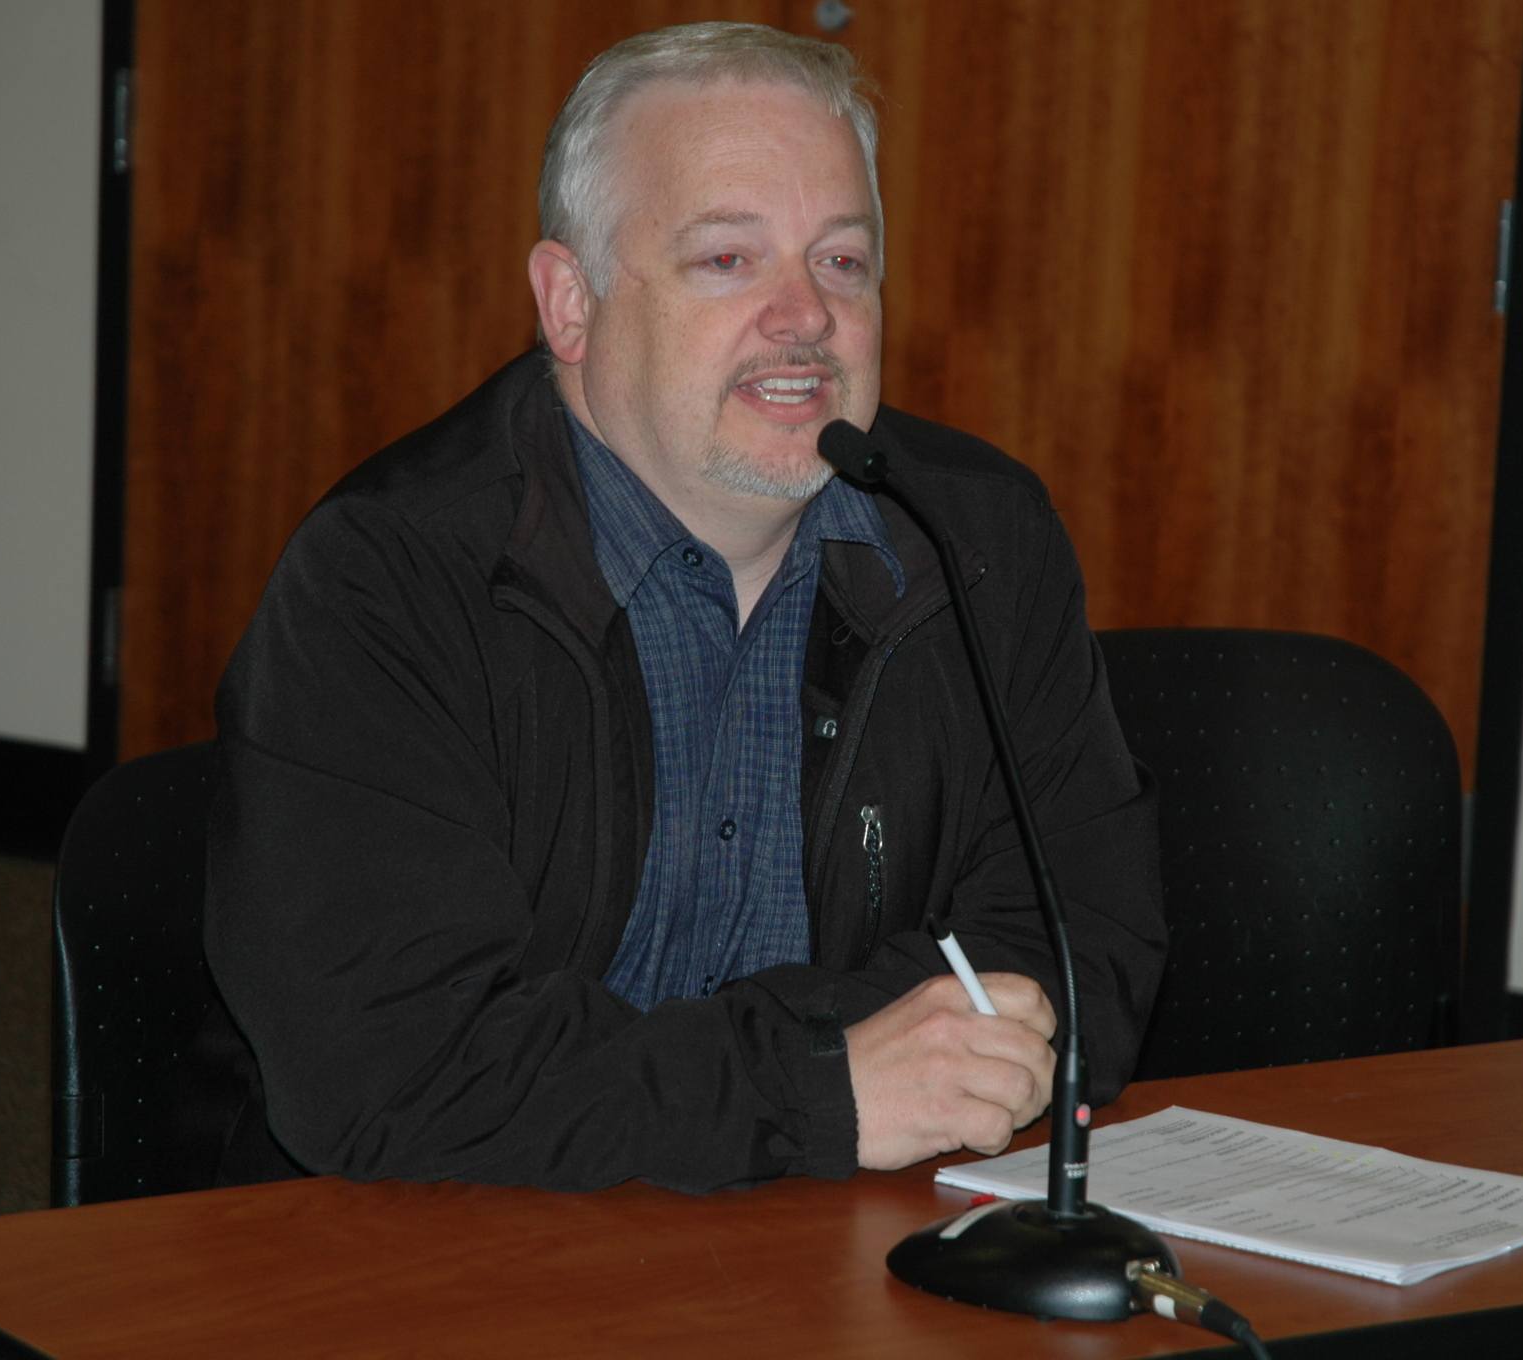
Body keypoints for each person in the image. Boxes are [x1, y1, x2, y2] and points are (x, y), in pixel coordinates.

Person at [202, 21, 1165, 1194]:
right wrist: (823, 1079)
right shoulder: (386, 581)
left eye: (842, 261)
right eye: (727, 259)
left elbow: (1086, 955)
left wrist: (792, 1081)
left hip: (837, 1244)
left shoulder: (978, 546)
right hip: (448, 1265)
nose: (803, 316)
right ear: (571, 303)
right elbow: (397, 1071)